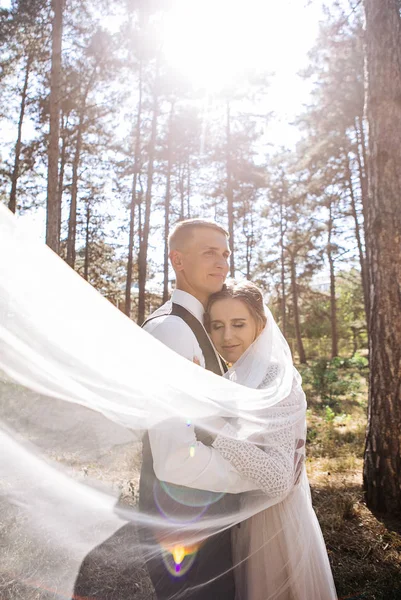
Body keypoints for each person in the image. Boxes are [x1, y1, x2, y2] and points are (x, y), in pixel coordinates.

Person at [138, 219, 263, 600]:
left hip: (200, 512)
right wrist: (254, 478)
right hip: (181, 520)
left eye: (225, 254)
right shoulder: (173, 330)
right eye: (210, 252)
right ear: (178, 259)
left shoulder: (201, 327)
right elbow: (175, 457)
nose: (222, 262)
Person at [204, 279, 338, 600]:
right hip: (247, 517)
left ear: (260, 325)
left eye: (238, 324)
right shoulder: (235, 376)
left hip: (272, 527)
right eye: (217, 326)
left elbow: (278, 480)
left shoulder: (274, 379)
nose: (227, 336)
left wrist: (213, 434)